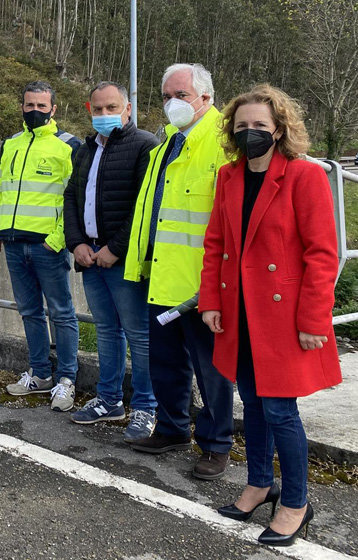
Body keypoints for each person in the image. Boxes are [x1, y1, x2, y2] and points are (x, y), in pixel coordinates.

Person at [202, 84, 340, 546]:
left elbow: (323, 253)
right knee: (254, 404)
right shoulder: (227, 176)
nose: (250, 133)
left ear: (279, 129)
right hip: (239, 312)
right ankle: (260, 484)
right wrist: (212, 302)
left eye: (259, 125)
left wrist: (313, 320)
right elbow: (216, 244)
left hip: (284, 316)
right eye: (241, 126)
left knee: (280, 410)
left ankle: (297, 502)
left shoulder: (304, 176)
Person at [123, 63, 234, 479]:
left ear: (205, 97)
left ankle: (216, 444)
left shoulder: (224, 142)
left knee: (212, 370)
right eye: (166, 96)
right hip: (162, 276)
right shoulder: (168, 142)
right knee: (165, 363)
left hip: (202, 284)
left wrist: (220, 284)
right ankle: (171, 428)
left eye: (181, 95)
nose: (172, 103)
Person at [64, 82, 159, 440]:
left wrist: (114, 249)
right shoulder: (85, 150)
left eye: (112, 108)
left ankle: (147, 407)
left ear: (128, 108)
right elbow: (71, 198)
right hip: (90, 257)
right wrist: (76, 243)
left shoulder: (145, 146)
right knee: (106, 330)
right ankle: (109, 400)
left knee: (139, 334)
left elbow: (144, 207)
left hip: (124, 260)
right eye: (98, 109)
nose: (104, 115)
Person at [0, 81, 82, 412]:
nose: (35, 111)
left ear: (54, 109)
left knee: (61, 312)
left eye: (42, 106)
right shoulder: (11, 144)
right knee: (29, 312)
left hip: (48, 247)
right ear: (22, 107)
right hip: (13, 243)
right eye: (30, 105)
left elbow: (75, 197)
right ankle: (40, 375)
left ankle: (66, 380)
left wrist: (56, 240)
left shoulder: (68, 145)